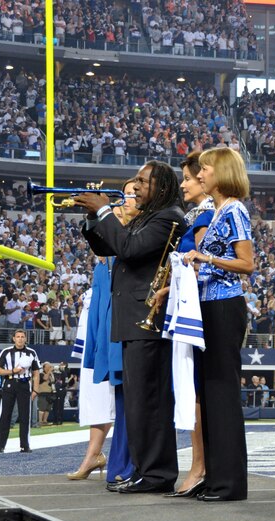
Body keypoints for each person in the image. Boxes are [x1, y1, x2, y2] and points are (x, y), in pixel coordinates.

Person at [76, 160, 185, 493]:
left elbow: (128, 247)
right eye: (135, 180)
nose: (135, 187)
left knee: (149, 402)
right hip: (133, 322)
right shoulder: (149, 217)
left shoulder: (169, 217)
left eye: (142, 181)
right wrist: (94, 216)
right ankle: (144, 470)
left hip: (147, 322)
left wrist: (106, 211)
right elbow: (107, 247)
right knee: (138, 404)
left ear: (161, 187)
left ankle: (157, 475)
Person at [182, 147, 254, 502]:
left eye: (205, 169)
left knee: (222, 394)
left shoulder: (235, 210)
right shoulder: (220, 211)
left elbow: (247, 263)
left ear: (221, 172)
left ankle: (230, 483)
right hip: (210, 306)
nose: (200, 175)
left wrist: (204, 257)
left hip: (225, 306)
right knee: (210, 395)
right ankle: (215, 479)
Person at [164, 150, 214, 498]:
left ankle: (199, 465)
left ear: (202, 178)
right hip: (188, 304)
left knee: (195, 390)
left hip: (197, 309)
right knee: (193, 390)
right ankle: (199, 463)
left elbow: (199, 266)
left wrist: (171, 284)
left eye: (187, 178)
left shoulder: (205, 214)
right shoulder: (198, 212)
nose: (182, 184)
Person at [0, 329, 40, 453]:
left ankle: (25, 445)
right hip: (9, 383)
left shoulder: (31, 352)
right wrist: (12, 371)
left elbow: (36, 373)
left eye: (22, 336)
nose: (20, 339)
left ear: (25, 339)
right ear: (13, 338)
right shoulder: (6, 352)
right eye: (18, 336)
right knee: (5, 415)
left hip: (25, 385)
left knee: (25, 415)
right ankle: (0, 445)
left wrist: (36, 389)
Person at [35, 362, 55, 428]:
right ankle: (40, 421)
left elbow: (53, 381)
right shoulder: (41, 374)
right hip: (42, 393)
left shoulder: (51, 374)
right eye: (48, 367)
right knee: (42, 408)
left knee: (47, 409)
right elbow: (45, 378)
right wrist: (49, 371)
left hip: (50, 393)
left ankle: (45, 421)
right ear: (44, 367)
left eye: (50, 367)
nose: (49, 368)